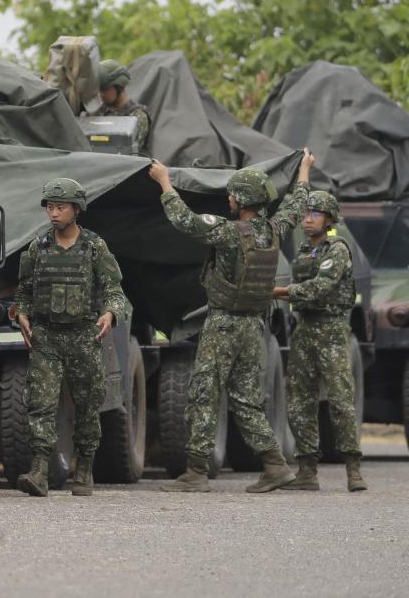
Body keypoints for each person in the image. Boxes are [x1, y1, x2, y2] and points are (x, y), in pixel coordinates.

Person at [150, 149, 314, 492]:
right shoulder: (273, 229)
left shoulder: (228, 232)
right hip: (255, 327)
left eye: (231, 194)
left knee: (203, 395)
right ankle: (274, 465)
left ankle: (195, 473)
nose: (227, 199)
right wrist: (304, 171)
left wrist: (164, 181)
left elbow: (186, 221)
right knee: (246, 399)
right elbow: (297, 205)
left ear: (242, 200)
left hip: (223, 325)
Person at [14, 178, 130, 497]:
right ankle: (39, 470)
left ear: (76, 209)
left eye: (60, 207)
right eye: (50, 207)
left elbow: (114, 290)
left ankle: (85, 469)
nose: (53, 213)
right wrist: (21, 313)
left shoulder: (95, 247)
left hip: (83, 337)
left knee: (88, 406)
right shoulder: (38, 247)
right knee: (40, 403)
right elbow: (23, 290)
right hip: (47, 338)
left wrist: (110, 313)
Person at [273, 190, 366, 492]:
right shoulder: (303, 250)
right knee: (299, 402)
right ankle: (307, 470)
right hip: (305, 331)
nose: (308, 218)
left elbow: (320, 288)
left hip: (331, 333)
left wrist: (280, 292)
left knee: (340, 401)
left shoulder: (337, 249)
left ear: (329, 219)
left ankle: (353, 470)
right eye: (307, 213)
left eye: (316, 213)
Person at [94, 60, 152, 154]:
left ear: (119, 86)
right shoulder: (99, 112)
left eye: (105, 89)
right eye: (99, 90)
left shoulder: (137, 116)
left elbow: (128, 152)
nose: (101, 94)